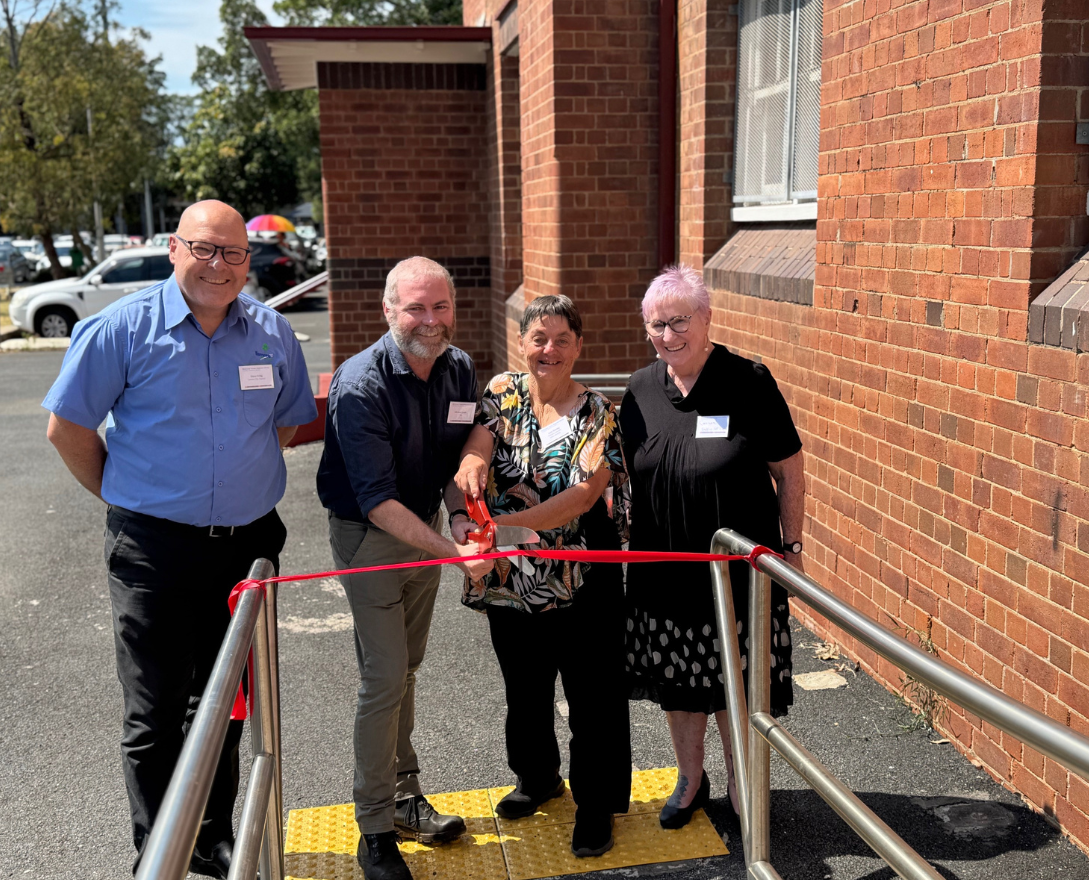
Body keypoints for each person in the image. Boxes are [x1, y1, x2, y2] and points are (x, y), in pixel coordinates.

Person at [42, 199, 317, 878]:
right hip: (153, 551)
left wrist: (232, 482)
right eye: (204, 248)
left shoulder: (272, 332)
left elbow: (283, 425)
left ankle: (212, 836)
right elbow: (67, 429)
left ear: (247, 261)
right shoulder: (120, 329)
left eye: (233, 253)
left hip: (247, 547)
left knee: (227, 703)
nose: (218, 265)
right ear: (174, 249)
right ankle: (156, 853)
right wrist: (130, 496)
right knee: (155, 711)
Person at [316, 256, 495, 880]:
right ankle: (374, 829)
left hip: (427, 529)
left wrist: (461, 515)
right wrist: (452, 551)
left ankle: (404, 796)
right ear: (389, 310)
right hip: (372, 536)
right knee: (384, 678)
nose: (430, 320)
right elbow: (376, 501)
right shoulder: (359, 384)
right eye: (415, 308)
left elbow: (459, 449)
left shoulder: (459, 366)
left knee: (406, 672)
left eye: (440, 306)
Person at [620, 264, 805, 828]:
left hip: (738, 572)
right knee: (680, 684)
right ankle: (690, 779)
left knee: (736, 685)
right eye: (657, 325)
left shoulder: (748, 381)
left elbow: (789, 471)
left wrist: (793, 547)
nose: (669, 335)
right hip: (664, 571)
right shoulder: (639, 390)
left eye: (680, 321)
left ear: (706, 319)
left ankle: (742, 783)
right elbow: (626, 474)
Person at [453, 295, 632, 858]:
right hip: (511, 578)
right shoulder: (501, 393)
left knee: (591, 696)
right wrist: (473, 461)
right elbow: (478, 443)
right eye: (539, 338)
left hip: (582, 578)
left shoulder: (598, 412)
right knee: (525, 689)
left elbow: (582, 496)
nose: (548, 349)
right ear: (521, 343)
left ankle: (596, 805)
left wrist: (506, 526)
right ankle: (538, 778)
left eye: (561, 339)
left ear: (578, 347)